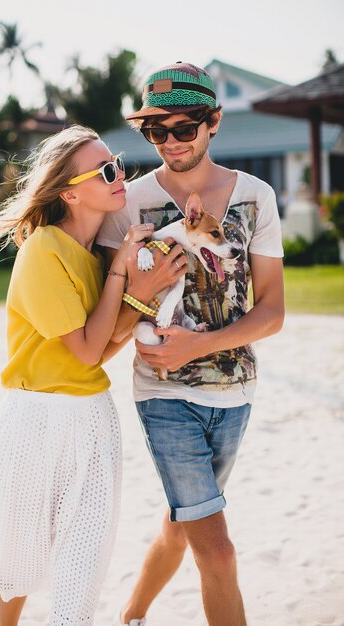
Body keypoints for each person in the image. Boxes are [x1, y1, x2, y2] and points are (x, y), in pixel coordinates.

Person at [0, 125, 182, 626]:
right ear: (70, 193)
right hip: (34, 420)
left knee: (84, 562)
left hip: (93, 420)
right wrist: (128, 282)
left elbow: (107, 344)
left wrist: (139, 290)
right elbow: (90, 348)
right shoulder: (43, 250)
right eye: (106, 171)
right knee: (21, 554)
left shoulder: (95, 256)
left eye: (117, 163)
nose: (120, 176)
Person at [97, 62, 285, 626]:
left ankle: (130, 615)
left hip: (237, 392)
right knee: (219, 551)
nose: (170, 141)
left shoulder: (256, 196)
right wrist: (145, 304)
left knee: (181, 526)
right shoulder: (125, 203)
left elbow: (272, 310)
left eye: (185, 127)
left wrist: (197, 348)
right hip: (162, 394)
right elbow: (108, 316)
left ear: (215, 122)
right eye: (157, 131)